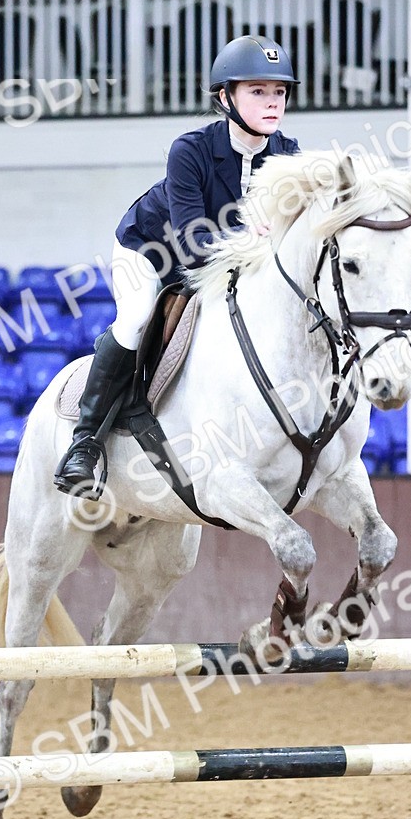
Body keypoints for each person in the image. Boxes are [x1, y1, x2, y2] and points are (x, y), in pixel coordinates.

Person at [54, 34, 301, 496]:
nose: (273, 103)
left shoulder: (288, 156)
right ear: (225, 97)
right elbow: (192, 245)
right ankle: (85, 443)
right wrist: (250, 238)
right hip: (151, 252)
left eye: (279, 92)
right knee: (135, 318)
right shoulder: (189, 150)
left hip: (229, 264)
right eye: (258, 91)